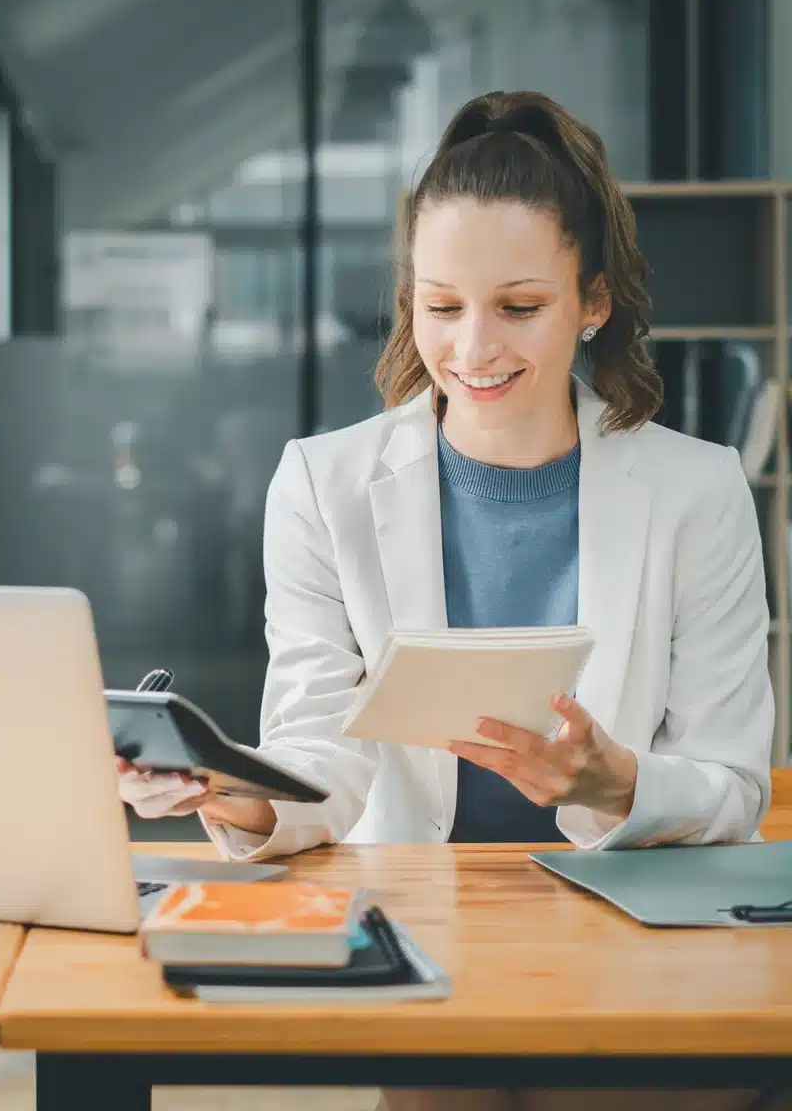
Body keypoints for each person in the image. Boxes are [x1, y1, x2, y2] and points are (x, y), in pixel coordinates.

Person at [116, 90, 779, 1111]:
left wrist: (610, 781)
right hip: (421, 927)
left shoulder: (698, 490)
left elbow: (735, 786)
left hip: (634, 931)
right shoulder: (321, 485)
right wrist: (225, 788)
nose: (473, 348)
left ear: (592, 301)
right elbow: (320, 748)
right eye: (440, 307)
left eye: (519, 307)